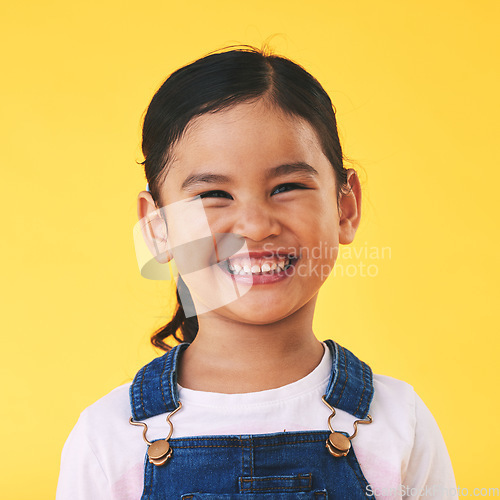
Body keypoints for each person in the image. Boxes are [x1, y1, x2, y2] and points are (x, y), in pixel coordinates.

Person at [56, 45, 457, 499]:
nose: (256, 225)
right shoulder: (107, 440)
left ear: (346, 206)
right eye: (213, 194)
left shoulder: (397, 422)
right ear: (158, 228)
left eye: (287, 186)